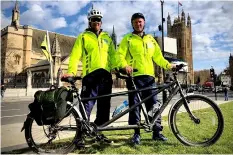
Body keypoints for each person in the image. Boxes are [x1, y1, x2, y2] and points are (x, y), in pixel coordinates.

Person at [116, 13, 176, 145]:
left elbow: (158, 57)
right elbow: (119, 55)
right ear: (132, 24)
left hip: (149, 78)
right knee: (135, 107)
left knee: (153, 106)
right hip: (134, 77)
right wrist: (125, 65)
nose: (138, 24)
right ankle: (136, 134)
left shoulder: (150, 40)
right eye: (136, 22)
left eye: (141, 22)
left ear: (144, 23)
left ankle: (157, 132)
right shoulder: (127, 39)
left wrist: (168, 65)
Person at [63, 8, 117, 146]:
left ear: (101, 21)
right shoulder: (83, 36)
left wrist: (120, 67)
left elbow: (113, 56)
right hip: (91, 76)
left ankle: (98, 133)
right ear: (89, 21)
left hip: (105, 77)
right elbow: (75, 55)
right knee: (86, 107)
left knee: (104, 108)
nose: (96, 22)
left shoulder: (107, 38)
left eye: (98, 19)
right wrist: (71, 71)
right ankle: (79, 137)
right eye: (94, 19)